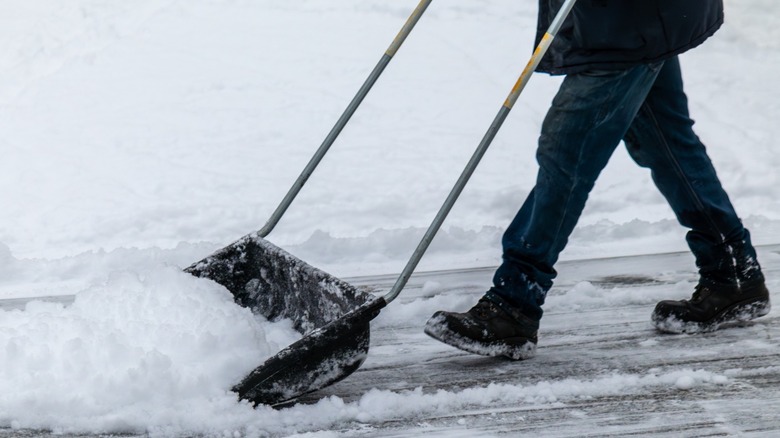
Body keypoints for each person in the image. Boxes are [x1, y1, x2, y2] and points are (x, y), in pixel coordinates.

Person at [424, 0, 771, 360]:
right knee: (664, 141)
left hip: (629, 21)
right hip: (632, 19)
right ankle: (732, 272)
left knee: (568, 151)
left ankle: (514, 303)